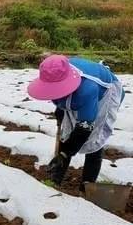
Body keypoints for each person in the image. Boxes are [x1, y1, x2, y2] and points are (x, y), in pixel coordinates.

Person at [27, 55, 124, 192]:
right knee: (66, 136)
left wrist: (65, 153)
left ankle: (86, 188)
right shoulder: (56, 70)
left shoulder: (88, 89)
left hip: (106, 92)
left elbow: (85, 128)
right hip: (78, 92)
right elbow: (57, 93)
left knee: (94, 142)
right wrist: (60, 110)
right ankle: (55, 181)